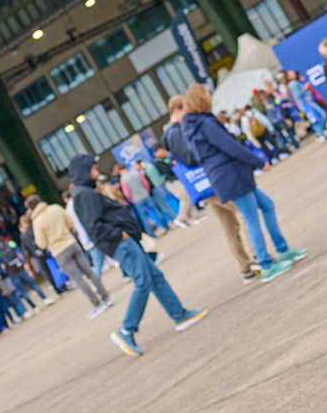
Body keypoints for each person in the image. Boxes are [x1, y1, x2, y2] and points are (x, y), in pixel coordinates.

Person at [69, 154, 208, 355]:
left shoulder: (84, 193)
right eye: (93, 168)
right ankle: (126, 330)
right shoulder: (85, 195)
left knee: (155, 277)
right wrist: (120, 234)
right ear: (83, 171)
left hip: (124, 242)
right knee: (143, 282)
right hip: (121, 243)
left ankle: (180, 315)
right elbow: (95, 227)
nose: (97, 172)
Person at [180, 84, 306, 278]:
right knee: (252, 217)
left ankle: (282, 250)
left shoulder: (192, 127)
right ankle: (266, 264)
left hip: (225, 176)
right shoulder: (205, 123)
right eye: (206, 94)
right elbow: (230, 146)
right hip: (231, 175)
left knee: (266, 205)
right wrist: (258, 161)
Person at [165, 96, 261, 282]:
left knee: (229, 225)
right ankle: (257, 257)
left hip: (205, 185)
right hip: (209, 182)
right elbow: (190, 158)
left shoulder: (171, 133)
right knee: (246, 212)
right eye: (186, 107)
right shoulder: (175, 132)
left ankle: (246, 267)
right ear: (177, 109)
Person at [30, 194, 112, 314]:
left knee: (78, 279)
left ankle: (97, 303)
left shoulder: (37, 222)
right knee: (89, 271)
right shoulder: (56, 208)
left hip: (59, 251)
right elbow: (70, 223)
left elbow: (41, 243)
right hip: (72, 243)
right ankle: (106, 297)